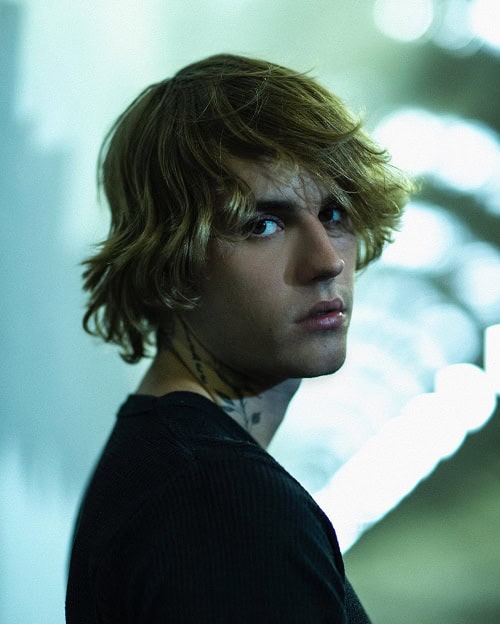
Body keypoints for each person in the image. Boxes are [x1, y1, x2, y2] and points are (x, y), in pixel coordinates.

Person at [65, 53, 412, 623]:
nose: (326, 261)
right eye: (262, 224)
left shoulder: (173, 469)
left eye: (334, 212)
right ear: (168, 264)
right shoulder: (222, 505)